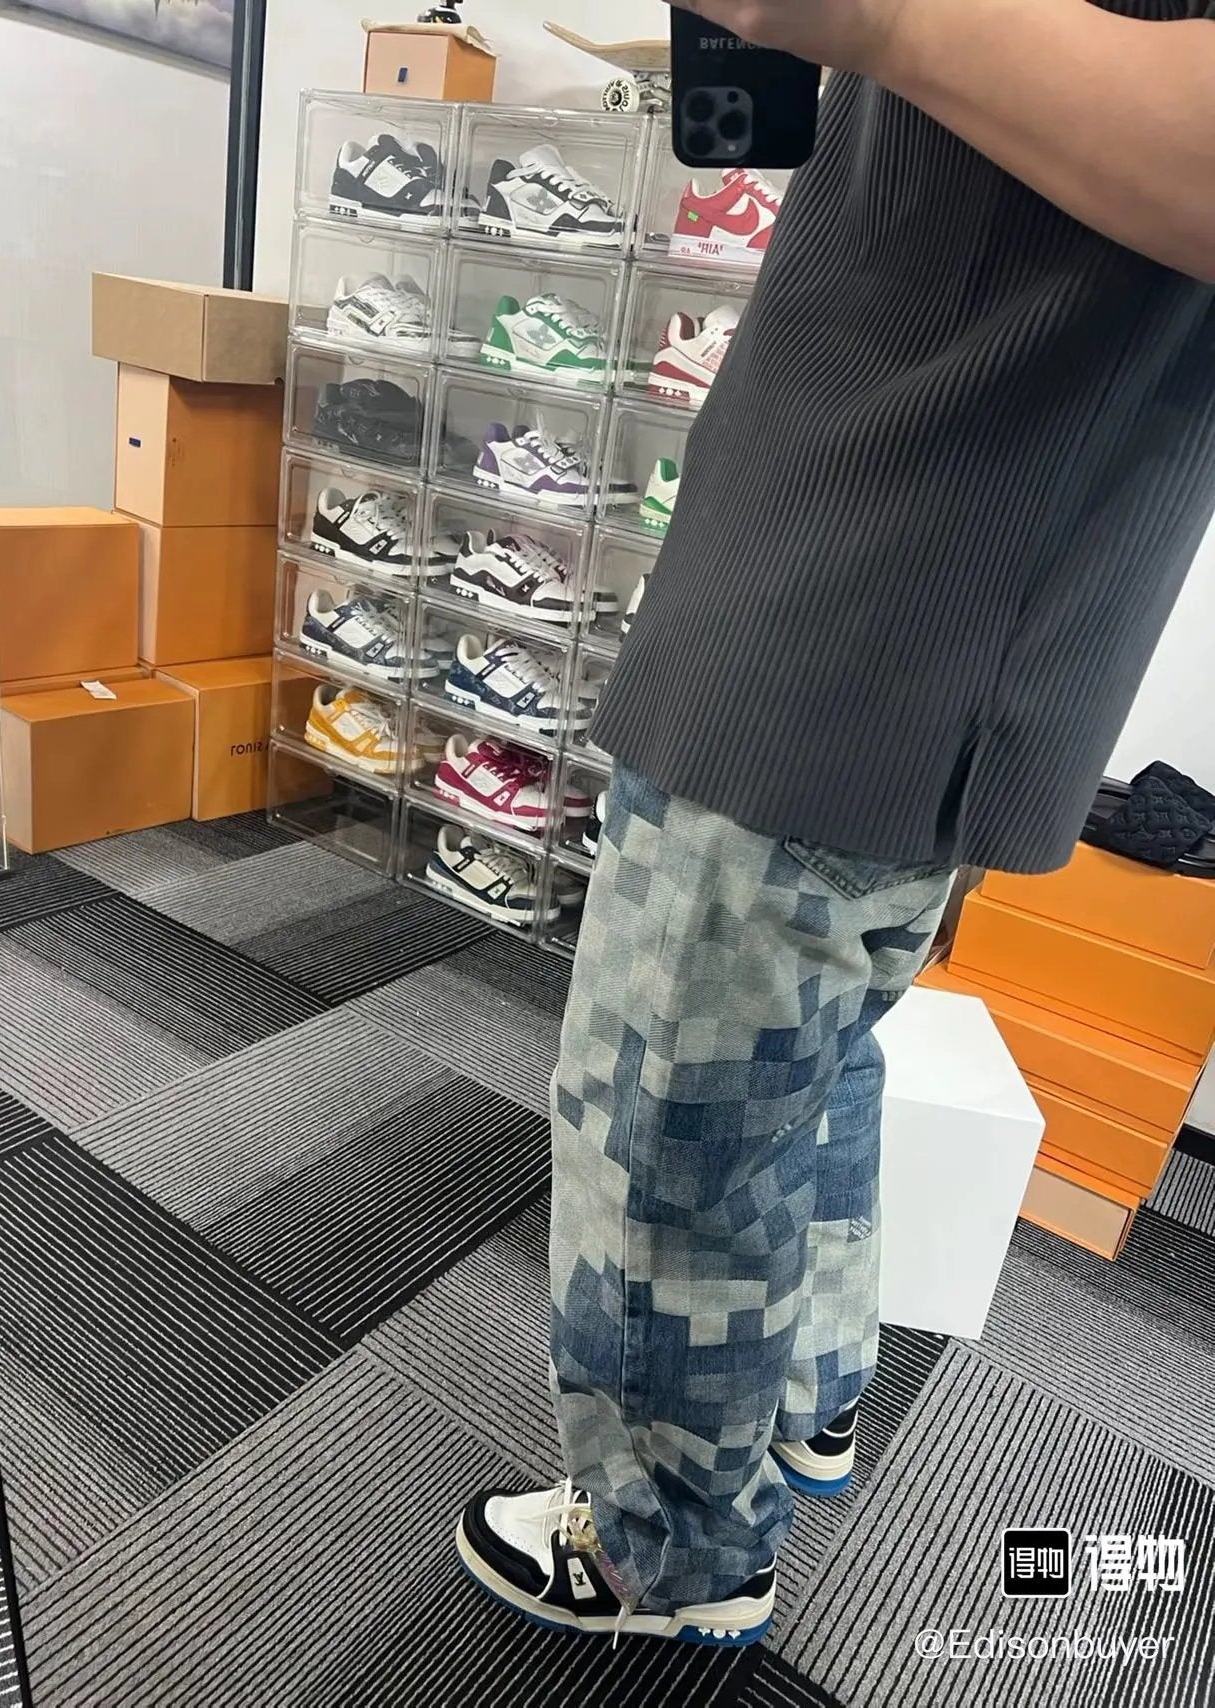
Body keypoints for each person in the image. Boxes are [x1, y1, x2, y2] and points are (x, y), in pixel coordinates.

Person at [456, 0, 1215, 1647]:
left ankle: (671, 1555)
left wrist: (872, 17)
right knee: (797, 1061)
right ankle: (804, 1393)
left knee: (672, 1119)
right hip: (911, 561)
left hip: (866, 576)